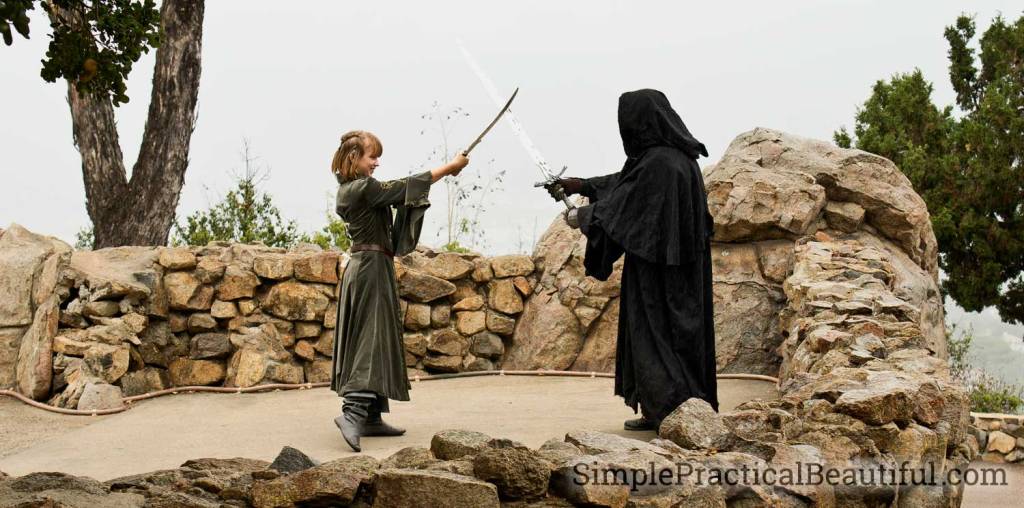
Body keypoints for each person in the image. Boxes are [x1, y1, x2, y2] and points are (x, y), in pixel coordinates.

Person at [546, 89, 718, 430]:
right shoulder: (676, 158)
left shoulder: (660, 163)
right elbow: (625, 184)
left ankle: (669, 411)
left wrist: (583, 217)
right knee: (677, 340)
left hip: (659, 276)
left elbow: (626, 205)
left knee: (655, 338)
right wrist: (581, 185)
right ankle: (671, 412)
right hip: (679, 273)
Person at [330, 130, 469, 452]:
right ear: (354, 158)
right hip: (370, 270)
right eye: (372, 156)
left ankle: (371, 417)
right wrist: (450, 167)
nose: (376, 162)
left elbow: (397, 191)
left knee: (377, 335)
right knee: (371, 338)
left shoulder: (350, 189)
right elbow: (406, 186)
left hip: (367, 266)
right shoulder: (364, 188)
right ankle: (353, 413)